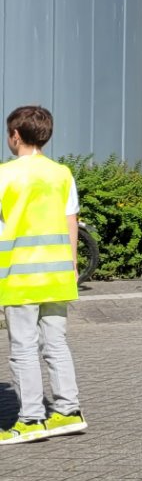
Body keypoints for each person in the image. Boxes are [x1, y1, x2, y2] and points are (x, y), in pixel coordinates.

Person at [0, 105, 85, 445]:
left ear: (15, 135)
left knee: (23, 347)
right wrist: (72, 264)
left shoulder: (5, 175)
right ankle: (68, 411)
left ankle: (31, 419)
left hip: (20, 275)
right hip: (58, 274)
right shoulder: (61, 174)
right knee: (56, 344)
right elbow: (71, 220)